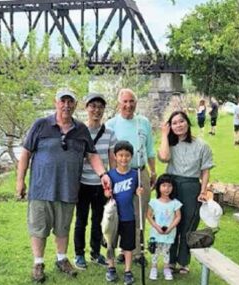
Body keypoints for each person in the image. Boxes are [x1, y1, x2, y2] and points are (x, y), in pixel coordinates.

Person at [16, 89, 111, 283]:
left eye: (70, 102)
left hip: (68, 189)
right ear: (56, 103)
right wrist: (20, 181)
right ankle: (38, 263)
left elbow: (92, 155)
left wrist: (103, 174)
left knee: (63, 227)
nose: (66, 105)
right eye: (63, 101)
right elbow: (25, 152)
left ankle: (61, 259)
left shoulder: (81, 129)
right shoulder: (40, 125)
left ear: (75, 105)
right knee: (39, 228)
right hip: (41, 188)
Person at [158, 110, 214, 274]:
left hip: (191, 186)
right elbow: (164, 157)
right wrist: (164, 134)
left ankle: (184, 262)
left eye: (181, 121)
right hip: (172, 186)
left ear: (187, 123)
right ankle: (170, 261)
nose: (178, 125)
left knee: (188, 224)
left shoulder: (202, 145)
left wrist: (203, 191)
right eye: (174, 123)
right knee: (172, 223)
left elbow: (205, 171)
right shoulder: (169, 143)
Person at [106, 88, 156, 264]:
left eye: (131, 101)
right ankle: (122, 249)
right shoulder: (111, 124)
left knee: (139, 212)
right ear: (119, 103)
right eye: (125, 101)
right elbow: (110, 153)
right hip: (120, 174)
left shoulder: (143, 123)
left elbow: (150, 149)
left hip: (139, 171)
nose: (128, 105)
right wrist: (112, 176)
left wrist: (153, 170)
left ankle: (137, 251)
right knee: (120, 212)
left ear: (136, 103)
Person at [73, 93, 117, 269]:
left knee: (99, 220)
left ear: (103, 110)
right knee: (81, 220)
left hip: (101, 184)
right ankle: (79, 254)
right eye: (93, 106)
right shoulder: (78, 132)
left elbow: (112, 160)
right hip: (82, 183)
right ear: (86, 108)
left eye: (100, 107)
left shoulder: (110, 133)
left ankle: (96, 253)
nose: (96, 110)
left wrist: (111, 182)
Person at [104, 140, 143, 285]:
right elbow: (106, 192)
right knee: (110, 243)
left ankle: (128, 270)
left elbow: (136, 191)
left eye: (127, 156)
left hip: (128, 216)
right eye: (120, 155)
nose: (123, 159)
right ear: (115, 156)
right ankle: (111, 267)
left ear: (131, 157)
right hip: (113, 217)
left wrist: (138, 192)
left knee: (128, 245)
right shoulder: (111, 175)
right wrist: (107, 193)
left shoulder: (135, 174)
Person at [147, 174, 182, 281]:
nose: (166, 189)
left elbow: (178, 216)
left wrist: (170, 228)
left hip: (169, 232)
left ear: (173, 188)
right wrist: (156, 227)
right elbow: (148, 215)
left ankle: (166, 268)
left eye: (169, 186)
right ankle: (154, 268)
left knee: (167, 251)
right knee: (155, 251)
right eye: (164, 185)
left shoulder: (175, 203)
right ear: (159, 187)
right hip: (156, 233)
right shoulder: (154, 202)